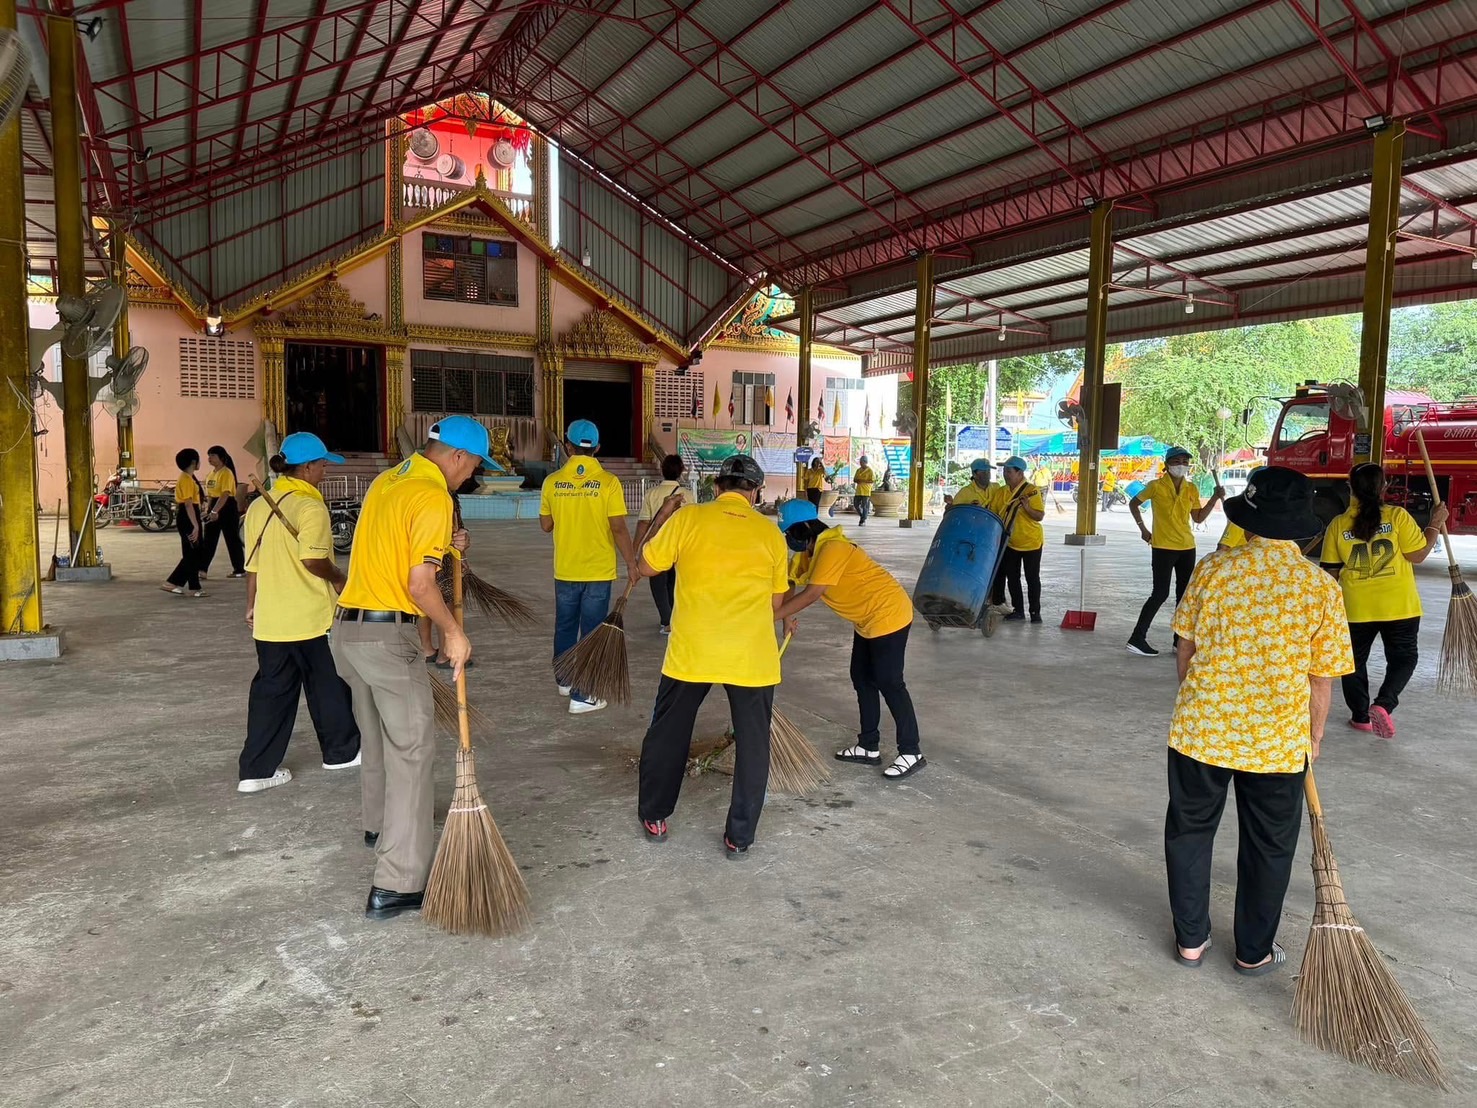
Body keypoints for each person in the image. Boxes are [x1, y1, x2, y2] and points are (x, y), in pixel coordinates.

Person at [1165, 466, 1353, 974]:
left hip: (1201, 731)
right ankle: (1253, 952)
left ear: (1248, 521)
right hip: (1277, 740)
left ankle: (1190, 941)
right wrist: (1314, 736)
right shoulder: (1320, 588)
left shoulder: (1211, 570)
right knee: (1269, 845)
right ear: (1301, 525)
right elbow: (1321, 679)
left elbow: (1185, 649)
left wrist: (1200, 700)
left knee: (1189, 831)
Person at [330, 416, 484, 921]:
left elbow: (393, 549)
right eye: (474, 465)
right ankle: (397, 884)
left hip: (347, 631)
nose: (471, 475)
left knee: (377, 738)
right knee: (413, 751)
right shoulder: (433, 495)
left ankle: (379, 826)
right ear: (457, 456)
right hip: (386, 638)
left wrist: (448, 547)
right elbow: (420, 586)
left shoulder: (388, 480)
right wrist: (452, 632)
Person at [635, 454, 788, 858]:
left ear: (717, 488)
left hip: (693, 651)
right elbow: (776, 603)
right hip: (751, 655)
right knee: (754, 745)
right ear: (754, 494)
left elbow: (646, 566)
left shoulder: (688, 519)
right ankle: (740, 837)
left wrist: (663, 518)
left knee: (668, 733)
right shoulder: (771, 533)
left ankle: (655, 814)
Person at [238, 433, 360, 793]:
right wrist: (339, 579)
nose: (324, 470)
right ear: (306, 467)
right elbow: (312, 559)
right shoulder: (310, 507)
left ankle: (256, 771)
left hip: (271, 619)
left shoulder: (259, 506)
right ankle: (340, 753)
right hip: (310, 617)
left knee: (271, 693)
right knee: (328, 685)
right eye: (322, 464)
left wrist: (251, 604)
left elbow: (253, 565)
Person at [774, 500, 923, 779]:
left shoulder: (833, 548)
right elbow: (790, 583)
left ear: (806, 527)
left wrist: (771, 616)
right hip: (866, 619)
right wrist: (785, 618)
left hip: (888, 613)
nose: (788, 539)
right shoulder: (809, 553)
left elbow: (813, 593)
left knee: (890, 682)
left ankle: (911, 750)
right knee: (862, 678)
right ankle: (868, 745)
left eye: (790, 532)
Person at [1319, 463, 1447, 739]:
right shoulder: (1398, 516)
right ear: (1384, 487)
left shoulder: (1338, 524)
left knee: (1353, 662)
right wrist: (1435, 523)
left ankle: (1360, 717)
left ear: (1350, 488)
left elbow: (1330, 574)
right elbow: (1418, 555)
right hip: (1399, 606)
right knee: (1404, 658)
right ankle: (1384, 704)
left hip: (1356, 608)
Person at [540, 419, 641, 714]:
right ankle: (583, 695)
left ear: (567, 446)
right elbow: (618, 528)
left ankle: (565, 679)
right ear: (597, 448)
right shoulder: (608, 483)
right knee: (592, 629)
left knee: (565, 624)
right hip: (597, 570)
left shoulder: (552, 482)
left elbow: (546, 525)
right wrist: (631, 563)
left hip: (566, 569)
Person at [1126, 446, 1224, 656]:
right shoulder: (1155, 486)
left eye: (1185, 462)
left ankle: (1178, 641)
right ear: (1167, 465)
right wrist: (1143, 529)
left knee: (1183, 595)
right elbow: (1134, 504)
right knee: (1160, 593)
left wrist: (1215, 498)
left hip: (1187, 547)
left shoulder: (1191, 489)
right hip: (1163, 546)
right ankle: (1137, 637)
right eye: (1177, 461)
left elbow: (1198, 518)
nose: (1181, 465)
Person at [635, 453, 690, 635]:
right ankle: (673, 618)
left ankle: (666, 620)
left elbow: (644, 523)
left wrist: (636, 549)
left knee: (658, 583)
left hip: (657, 545)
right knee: (674, 582)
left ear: (662, 470)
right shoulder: (688, 495)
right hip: (681, 547)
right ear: (681, 471)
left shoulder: (652, 494)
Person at [988, 456, 1047, 623]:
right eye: (1004, 471)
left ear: (1020, 473)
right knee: (1012, 578)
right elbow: (994, 513)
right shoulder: (1001, 492)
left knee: (1032, 578)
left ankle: (1035, 613)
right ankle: (1018, 611)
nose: (1005, 474)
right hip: (1010, 542)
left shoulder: (1031, 491)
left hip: (1031, 542)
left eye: (1009, 471)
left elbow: (1039, 516)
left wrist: (1027, 507)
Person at [161, 448, 207, 597]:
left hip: (190, 514)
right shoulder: (186, 479)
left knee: (193, 552)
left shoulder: (188, 477)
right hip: (188, 516)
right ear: (194, 462)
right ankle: (171, 582)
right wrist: (195, 525)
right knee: (193, 553)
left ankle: (195, 587)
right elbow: (188, 504)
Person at [199, 446, 246, 580]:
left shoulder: (226, 473)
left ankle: (239, 569)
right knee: (209, 539)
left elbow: (225, 494)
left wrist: (215, 511)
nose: (210, 458)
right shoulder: (211, 474)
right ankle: (202, 569)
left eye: (213, 455)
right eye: (209, 455)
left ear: (221, 457)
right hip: (214, 504)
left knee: (232, 539)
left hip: (227, 507)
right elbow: (211, 495)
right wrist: (208, 510)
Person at [852, 455, 876, 525]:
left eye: (861, 462)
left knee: (864, 506)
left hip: (866, 491)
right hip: (859, 490)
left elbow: (872, 480)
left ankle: (862, 520)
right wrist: (857, 480)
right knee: (856, 504)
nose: (860, 463)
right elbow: (854, 479)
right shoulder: (858, 470)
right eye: (860, 462)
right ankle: (862, 516)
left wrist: (863, 481)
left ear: (865, 462)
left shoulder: (870, 471)